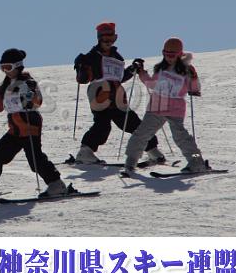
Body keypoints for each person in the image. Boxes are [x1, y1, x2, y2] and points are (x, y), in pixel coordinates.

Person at [0, 48, 68, 199]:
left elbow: (38, 101)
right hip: (15, 130)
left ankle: (57, 185)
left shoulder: (28, 82)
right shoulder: (5, 86)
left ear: (18, 66)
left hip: (29, 126)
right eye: (2, 68)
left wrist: (30, 98)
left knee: (36, 160)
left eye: (8, 67)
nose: (5, 71)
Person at [73, 22, 164, 163]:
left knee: (133, 122)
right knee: (103, 125)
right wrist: (81, 67)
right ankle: (85, 152)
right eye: (105, 38)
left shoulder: (117, 57)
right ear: (99, 38)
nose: (108, 41)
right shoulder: (91, 57)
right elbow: (83, 79)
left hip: (117, 96)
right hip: (100, 94)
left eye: (111, 38)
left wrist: (132, 69)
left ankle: (152, 150)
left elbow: (119, 78)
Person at [124, 38, 208, 173]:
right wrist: (142, 73)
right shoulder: (161, 68)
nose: (169, 58)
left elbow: (194, 89)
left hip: (175, 108)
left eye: (172, 55)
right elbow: (152, 84)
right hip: (157, 106)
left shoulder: (186, 69)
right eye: (166, 54)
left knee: (181, 137)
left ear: (179, 54)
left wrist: (193, 77)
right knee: (142, 134)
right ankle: (130, 161)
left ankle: (196, 162)